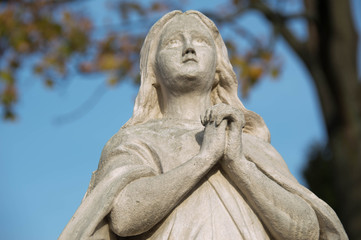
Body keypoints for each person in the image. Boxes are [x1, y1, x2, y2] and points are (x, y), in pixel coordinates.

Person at [60, 10, 347, 240]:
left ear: (218, 69)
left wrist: (237, 164)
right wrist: (205, 159)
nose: (188, 48)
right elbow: (124, 215)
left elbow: (306, 230)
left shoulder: (251, 146)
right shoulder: (135, 141)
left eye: (200, 41)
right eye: (174, 42)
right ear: (153, 73)